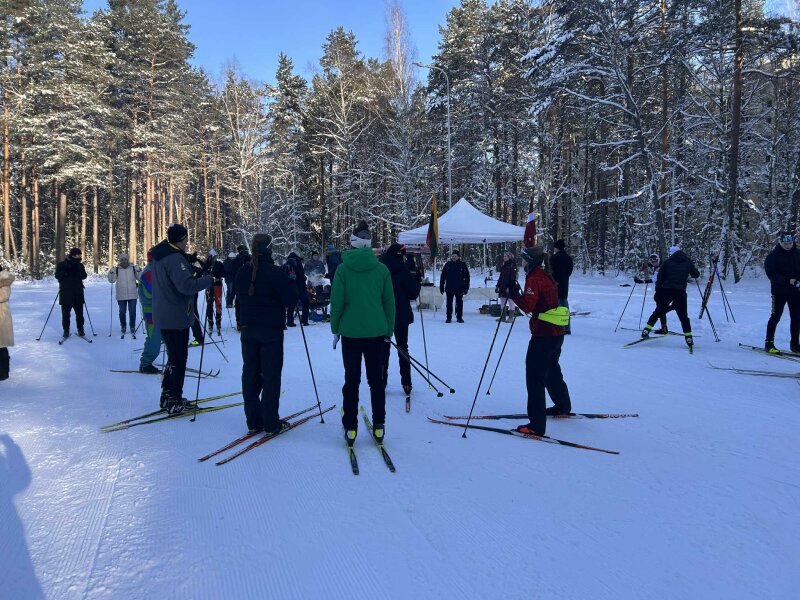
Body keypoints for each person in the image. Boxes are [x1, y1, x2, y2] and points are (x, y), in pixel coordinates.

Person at [331, 220, 395, 446]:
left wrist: (335, 328)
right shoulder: (381, 269)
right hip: (376, 332)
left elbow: (336, 302)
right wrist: (389, 329)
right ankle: (379, 425)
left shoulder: (343, 269)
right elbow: (389, 303)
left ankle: (350, 427)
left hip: (350, 333)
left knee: (352, 380)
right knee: (376, 381)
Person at [235, 234, 299, 434]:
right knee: (270, 375)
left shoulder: (243, 272)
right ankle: (270, 422)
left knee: (250, 374)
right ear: (269, 250)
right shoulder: (275, 272)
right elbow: (290, 300)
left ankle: (254, 420)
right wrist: (292, 281)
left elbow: (239, 297)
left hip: (248, 330)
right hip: (270, 331)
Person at [508, 246, 571, 436]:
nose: (521, 262)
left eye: (523, 259)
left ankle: (536, 425)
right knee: (552, 371)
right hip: (555, 333)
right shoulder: (544, 274)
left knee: (535, 377)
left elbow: (528, 305)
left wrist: (513, 293)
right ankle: (562, 405)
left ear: (530, 260)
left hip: (544, 335)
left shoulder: (535, 277)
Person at [151, 224, 213, 413]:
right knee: (178, 359)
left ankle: (168, 396)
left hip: (166, 313)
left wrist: (195, 272)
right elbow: (185, 286)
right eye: (186, 240)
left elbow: (178, 280)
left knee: (174, 358)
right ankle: (174, 399)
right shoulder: (174, 258)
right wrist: (208, 280)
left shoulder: (162, 256)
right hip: (175, 315)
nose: (187, 244)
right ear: (181, 239)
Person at [380, 243, 421, 395]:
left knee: (383, 349)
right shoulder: (403, 268)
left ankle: (381, 382)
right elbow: (412, 293)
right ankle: (407, 382)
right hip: (400, 313)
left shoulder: (379, 266)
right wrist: (417, 281)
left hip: (383, 314)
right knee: (403, 347)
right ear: (400, 254)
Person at [641, 245, 700, 348]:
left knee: (659, 311)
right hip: (680, 291)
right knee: (683, 316)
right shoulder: (687, 262)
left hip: (666, 290)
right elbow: (696, 275)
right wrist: (690, 266)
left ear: (671, 253)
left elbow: (660, 277)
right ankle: (688, 337)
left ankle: (646, 330)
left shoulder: (667, 262)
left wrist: (658, 290)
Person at [764, 231, 800, 353]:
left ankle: (795, 345)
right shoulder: (773, 256)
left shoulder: (798, 254)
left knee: (796, 317)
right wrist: (787, 280)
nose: (788, 245)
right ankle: (769, 343)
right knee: (775, 316)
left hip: (795, 291)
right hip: (779, 291)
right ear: (780, 242)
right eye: (785, 243)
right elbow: (772, 274)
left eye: (790, 243)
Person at [55, 248, 87, 338]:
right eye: (78, 254)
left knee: (80, 315)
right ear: (73, 255)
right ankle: (66, 331)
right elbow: (57, 276)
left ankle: (80, 330)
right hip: (66, 293)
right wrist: (66, 271)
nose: (80, 256)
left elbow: (84, 276)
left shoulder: (80, 265)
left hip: (78, 293)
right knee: (65, 315)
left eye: (80, 254)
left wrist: (78, 270)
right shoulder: (62, 264)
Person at [107, 253, 141, 336]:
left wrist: (139, 270)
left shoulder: (133, 268)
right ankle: (123, 326)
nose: (123, 261)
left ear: (127, 260)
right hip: (121, 295)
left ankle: (132, 326)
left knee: (132, 311)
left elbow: (140, 278)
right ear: (119, 260)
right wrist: (111, 272)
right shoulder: (116, 269)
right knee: (122, 312)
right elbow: (111, 280)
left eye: (125, 259)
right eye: (122, 259)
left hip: (132, 294)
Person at [635, 254, 669, 334]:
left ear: (659, 259)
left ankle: (663, 329)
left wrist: (641, 281)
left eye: (655, 259)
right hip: (661, 290)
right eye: (651, 260)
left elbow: (654, 280)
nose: (654, 261)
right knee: (660, 309)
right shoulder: (658, 265)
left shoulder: (659, 268)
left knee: (660, 310)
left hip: (663, 291)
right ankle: (664, 328)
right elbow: (651, 265)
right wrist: (645, 266)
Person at [550, 240, 574, 334]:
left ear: (557, 247)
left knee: (558, 305)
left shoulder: (554, 258)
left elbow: (551, 271)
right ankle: (567, 327)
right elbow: (569, 271)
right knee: (565, 305)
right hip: (565, 283)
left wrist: (554, 281)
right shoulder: (568, 258)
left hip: (555, 284)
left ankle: (560, 327)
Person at [439, 249, 470, 323]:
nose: (454, 257)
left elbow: (467, 277)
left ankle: (459, 317)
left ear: (458, 257)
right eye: (452, 256)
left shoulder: (463, 265)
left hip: (459, 288)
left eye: (455, 256)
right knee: (449, 304)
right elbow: (443, 276)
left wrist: (466, 288)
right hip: (449, 288)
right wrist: (441, 287)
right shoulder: (447, 265)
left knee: (459, 303)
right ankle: (448, 317)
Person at [284, 248, 309, 327]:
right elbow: (291, 274)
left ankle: (304, 320)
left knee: (306, 302)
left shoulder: (298, 260)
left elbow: (300, 273)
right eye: (302, 253)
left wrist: (303, 277)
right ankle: (290, 321)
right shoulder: (292, 261)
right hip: (294, 286)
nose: (303, 254)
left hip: (301, 286)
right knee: (292, 304)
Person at [203, 249, 225, 336]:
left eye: (214, 256)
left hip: (217, 285)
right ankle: (210, 323)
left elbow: (224, 273)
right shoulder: (206, 263)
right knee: (209, 304)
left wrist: (218, 275)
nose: (212, 257)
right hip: (209, 286)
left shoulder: (219, 263)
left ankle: (218, 322)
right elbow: (203, 271)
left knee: (218, 304)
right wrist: (207, 273)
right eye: (210, 256)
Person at [231, 245, 251, 330]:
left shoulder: (236, 259)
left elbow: (232, 270)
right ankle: (248, 321)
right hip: (249, 283)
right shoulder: (250, 258)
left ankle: (239, 322)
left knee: (238, 303)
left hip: (238, 283)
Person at [495, 250, 518, 323]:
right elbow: (501, 277)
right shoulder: (504, 266)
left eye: (505, 256)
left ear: (509, 257)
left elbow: (513, 278)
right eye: (504, 256)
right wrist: (497, 286)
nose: (504, 257)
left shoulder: (512, 265)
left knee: (511, 302)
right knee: (502, 302)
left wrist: (509, 287)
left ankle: (511, 317)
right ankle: (503, 317)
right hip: (502, 286)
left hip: (509, 287)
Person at [0, 260, 14, 381]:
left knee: (1, 346)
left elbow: (3, 296)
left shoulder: (5, 280)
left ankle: (4, 372)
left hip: (1, 316)